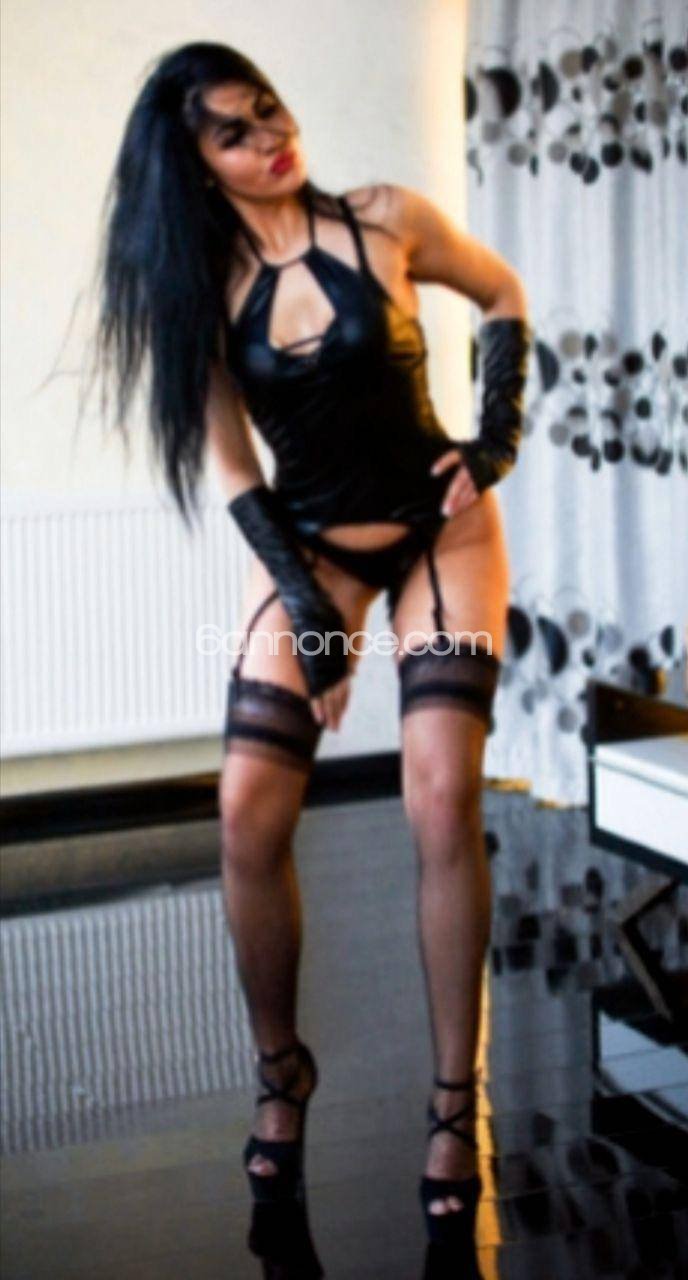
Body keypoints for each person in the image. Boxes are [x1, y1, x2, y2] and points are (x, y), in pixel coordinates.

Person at [92, 41, 532, 1262]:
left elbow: (501, 291)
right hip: (311, 546)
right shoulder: (200, 290)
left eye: (268, 110)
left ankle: (452, 1103)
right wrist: (315, 620)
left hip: (443, 533)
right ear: (196, 164)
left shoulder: (387, 218)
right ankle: (281, 1069)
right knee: (245, 807)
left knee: (438, 794)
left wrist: (492, 441)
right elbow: (236, 468)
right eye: (232, 132)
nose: (269, 139)